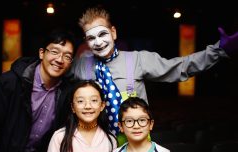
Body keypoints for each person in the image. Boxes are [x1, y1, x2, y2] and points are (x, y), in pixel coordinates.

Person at [68, 6, 238, 138]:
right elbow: (56, 71)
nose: (98, 42)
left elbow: (179, 67)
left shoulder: (138, 60)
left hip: (134, 148)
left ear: (113, 32)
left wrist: (218, 50)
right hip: (96, 147)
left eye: (102, 34)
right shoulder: (81, 65)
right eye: (91, 38)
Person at [43, 80, 117, 152]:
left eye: (94, 100)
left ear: (102, 105)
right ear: (73, 107)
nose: (88, 106)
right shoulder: (60, 137)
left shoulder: (110, 141)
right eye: (81, 101)